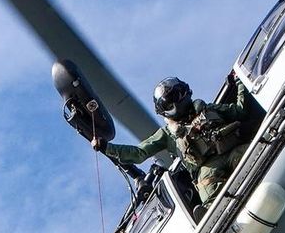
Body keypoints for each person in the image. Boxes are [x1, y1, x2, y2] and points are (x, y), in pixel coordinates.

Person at [107, 74, 263, 204]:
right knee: (209, 191)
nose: (178, 102)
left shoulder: (207, 109)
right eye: (171, 102)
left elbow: (239, 111)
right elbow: (139, 153)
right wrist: (107, 148)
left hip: (234, 151)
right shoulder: (167, 134)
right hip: (207, 170)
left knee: (255, 154)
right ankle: (212, 211)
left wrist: (239, 82)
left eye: (178, 95)